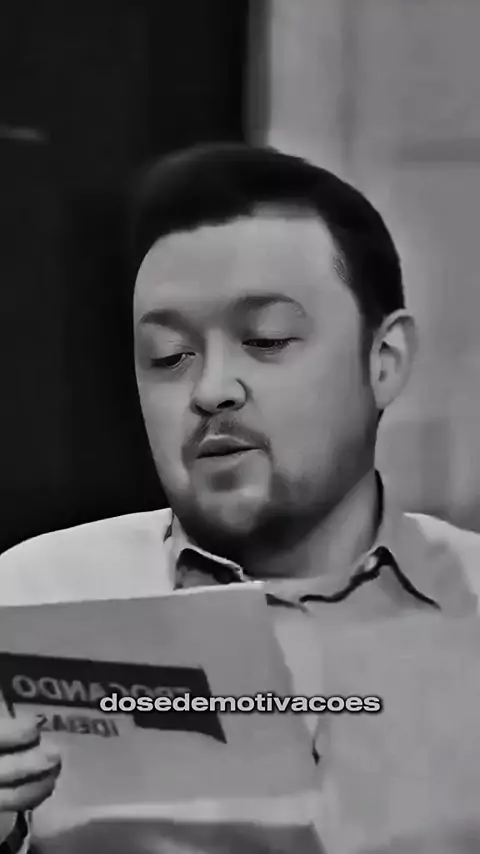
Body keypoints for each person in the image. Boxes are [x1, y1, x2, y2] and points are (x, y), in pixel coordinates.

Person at [1, 143, 480, 852]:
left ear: (383, 361)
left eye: (267, 339)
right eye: (169, 356)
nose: (211, 389)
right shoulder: (27, 604)